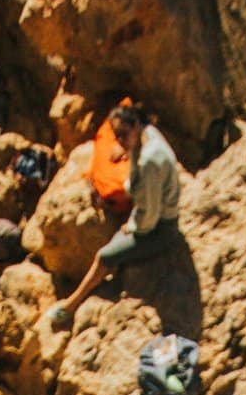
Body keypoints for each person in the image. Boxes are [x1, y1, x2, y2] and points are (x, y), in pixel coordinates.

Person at [48, 100, 182, 328]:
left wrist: (132, 227)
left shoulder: (150, 161)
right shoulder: (148, 134)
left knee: (105, 256)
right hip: (155, 211)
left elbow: (148, 217)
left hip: (160, 228)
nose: (119, 140)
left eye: (123, 134)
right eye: (116, 135)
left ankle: (70, 305)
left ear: (136, 126)